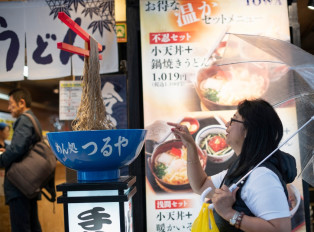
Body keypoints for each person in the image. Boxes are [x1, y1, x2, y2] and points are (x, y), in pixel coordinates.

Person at [168, 99, 297, 232]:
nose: (226, 124)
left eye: (233, 120)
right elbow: (201, 186)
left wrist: (229, 213)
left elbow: (281, 229)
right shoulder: (244, 167)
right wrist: (190, 145)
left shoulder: (262, 175)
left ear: (248, 130)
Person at [0, 88, 42, 232]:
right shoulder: (33, 119)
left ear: (21, 102)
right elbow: (22, 148)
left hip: (19, 184)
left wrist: (2, 160)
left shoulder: (24, 119)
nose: (9, 108)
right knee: (32, 225)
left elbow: (17, 148)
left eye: (11, 103)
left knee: (21, 227)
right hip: (29, 182)